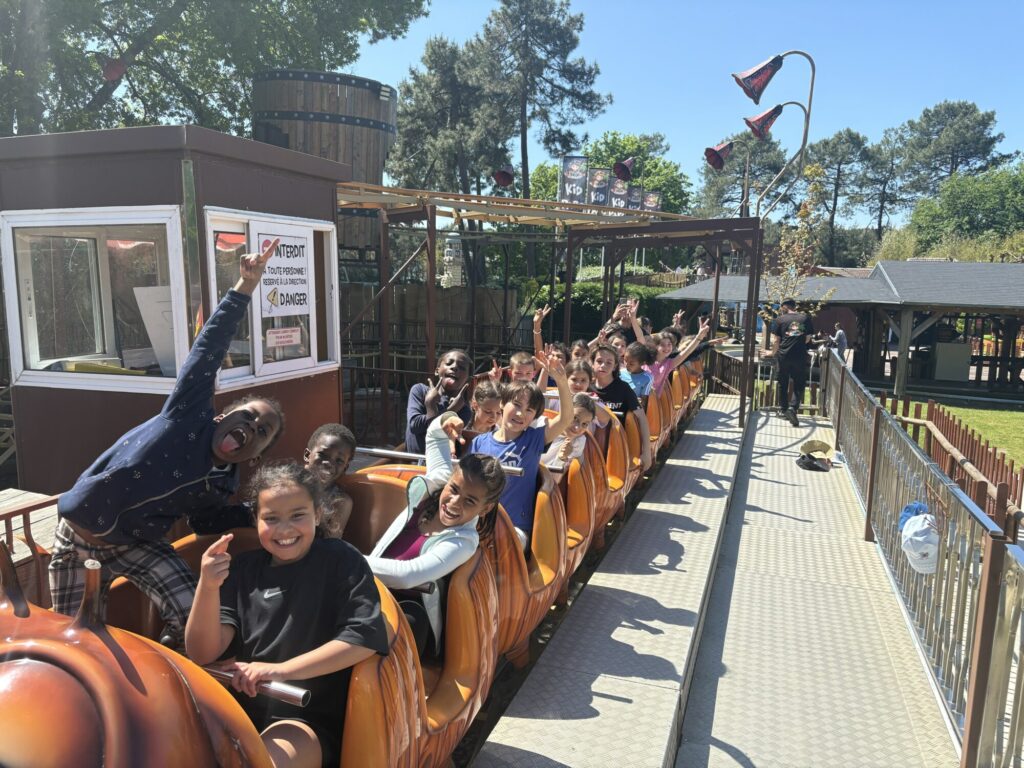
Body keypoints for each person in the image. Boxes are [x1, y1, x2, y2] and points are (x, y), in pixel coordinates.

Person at [49, 238, 287, 645]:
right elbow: (208, 348)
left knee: (195, 617)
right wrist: (246, 285)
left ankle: (166, 666)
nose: (252, 426)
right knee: (74, 641)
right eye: (247, 415)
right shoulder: (187, 415)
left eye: (262, 431)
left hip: (138, 545)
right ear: (222, 415)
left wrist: (262, 514)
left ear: (258, 454)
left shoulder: (222, 484)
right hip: (78, 535)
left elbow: (205, 521)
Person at [185, 462, 389, 768]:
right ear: (255, 520)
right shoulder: (243, 569)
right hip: (235, 709)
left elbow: (361, 640)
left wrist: (279, 671)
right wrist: (208, 585)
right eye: (271, 518)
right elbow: (203, 652)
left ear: (317, 514)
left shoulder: (340, 560)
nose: (284, 530)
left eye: (297, 515)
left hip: (307, 718)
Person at [365, 413, 505, 656]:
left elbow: (408, 575)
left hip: (408, 609)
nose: (454, 502)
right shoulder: (436, 485)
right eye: (454, 489)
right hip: (372, 589)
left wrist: (347, 559)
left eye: (470, 501)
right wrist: (448, 419)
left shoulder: (464, 541)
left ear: (485, 509)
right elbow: (434, 434)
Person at [471, 351, 573, 550]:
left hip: (514, 527)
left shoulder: (534, 440)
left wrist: (561, 380)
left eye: (529, 410)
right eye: (516, 405)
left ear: (534, 416)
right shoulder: (479, 442)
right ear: (502, 403)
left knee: (500, 547)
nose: (520, 413)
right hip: (478, 522)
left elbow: (566, 418)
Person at [591, 344, 652, 471]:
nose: (603, 365)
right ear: (592, 363)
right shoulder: (586, 386)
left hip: (615, 442)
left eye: (609, 362)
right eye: (599, 361)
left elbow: (641, 418)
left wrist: (646, 452)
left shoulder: (623, 388)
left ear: (615, 366)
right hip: (589, 440)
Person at [405, 350, 472, 454]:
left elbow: (436, 433)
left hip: (440, 461)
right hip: (414, 460)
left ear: (467, 380)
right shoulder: (420, 391)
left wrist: (433, 407)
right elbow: (415, 426)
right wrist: (449, 410)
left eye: (462, 367)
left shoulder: (463, 409)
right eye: (449, 363)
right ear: (437, 370)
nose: (454, 367)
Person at [765, 298, 815, 426]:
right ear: (794, 306)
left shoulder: (780, 320)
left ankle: (783, 410)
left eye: (781, 307)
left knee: (783, 383)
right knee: (799, 383)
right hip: (800, 355)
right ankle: (793, 408)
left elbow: (776, 340)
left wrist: (772, 353)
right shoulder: (805, 318)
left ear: (784, 307)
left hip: (783, 356)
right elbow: (808, 338)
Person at [303, 424, 356, 540]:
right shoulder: (288, 483)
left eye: (339, 460)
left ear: (345, 468)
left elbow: (331, 543)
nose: (328, 463)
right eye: (322, 455)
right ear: (307, 455)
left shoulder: (340, 502)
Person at [541, 394, 597, 480]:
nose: (577, 427)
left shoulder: (578, 442)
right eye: (575, 418)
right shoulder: (541, 426)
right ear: (564, 410)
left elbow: (554, 480)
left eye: (584, 424)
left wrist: (561, 458)